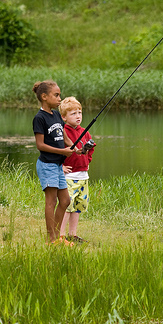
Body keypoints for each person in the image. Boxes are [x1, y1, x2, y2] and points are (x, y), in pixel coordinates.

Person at [32, 80, 80, 245]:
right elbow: (40, 145)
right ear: (44, 97)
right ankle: (51, 239)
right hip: (47, 165)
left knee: (65, 201)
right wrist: (62, 152)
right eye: (56, 95)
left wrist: (76, 148)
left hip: (58, 165)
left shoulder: (57, 115)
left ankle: (57, 236)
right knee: (51, 202)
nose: (60, 98)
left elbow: (64, 138)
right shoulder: (39, 118)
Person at [59, 96, 96, 243]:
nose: (78, 116)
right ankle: (60, 235)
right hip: (69, 176)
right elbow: (57, 151)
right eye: (73, 113)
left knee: (78, 206)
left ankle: (72, 235)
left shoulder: (85, 132)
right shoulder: (62, 132)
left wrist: (87, 159)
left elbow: (90, 151)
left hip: (83, 176)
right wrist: (60, 166)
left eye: (79, 112)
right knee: (67, 206)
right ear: (64, 117)